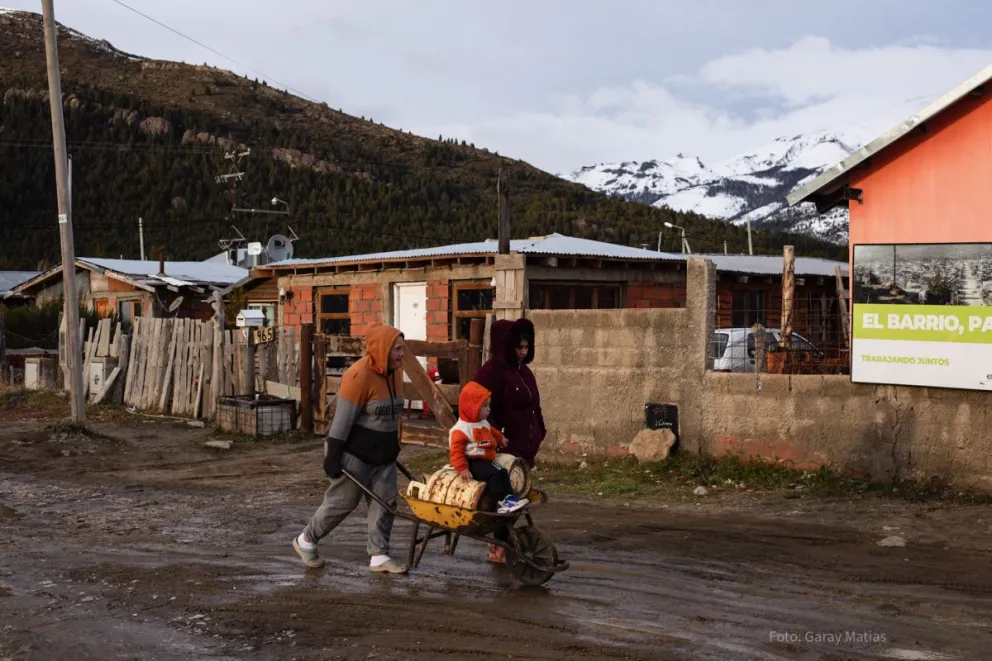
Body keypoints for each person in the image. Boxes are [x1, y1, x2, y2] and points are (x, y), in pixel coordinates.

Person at [292, 323, 409, 574]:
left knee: (386, 504)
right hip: (355, 454)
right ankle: (306, 540)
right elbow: (342, 421)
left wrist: (393, 445)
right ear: (383, 349)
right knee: (342, 503)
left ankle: (379, 556)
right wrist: (333, 457)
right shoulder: (358, 376)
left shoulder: (395, 373)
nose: (402, 354)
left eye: (403, 348)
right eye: (397, 349)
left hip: (384, 455)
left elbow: (392, 415)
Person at [472, 317, 546, 563]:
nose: (523, 352)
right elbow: (477, 406)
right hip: (505, 448)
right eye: (519, 347)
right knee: (504, 498)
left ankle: (502, 545)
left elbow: (534, 405)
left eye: (527, 347)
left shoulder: (524, 372)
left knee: (519, 495)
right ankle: (498, 547)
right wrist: (495, 435)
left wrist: (539, 430)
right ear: (506, 345)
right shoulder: (491, 372)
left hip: (524, 446)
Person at [449, 381, 529, 515]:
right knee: (495, 473)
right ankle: (502, 502)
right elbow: (456, 451)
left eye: (488, 405)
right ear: (472, 407)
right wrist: (462, 468)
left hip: (485, 459)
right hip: (472, 462)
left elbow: (493, 431)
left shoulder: (482, 422)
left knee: (502, 471)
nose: (489, 409)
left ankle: (510, 498)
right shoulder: (461, 429)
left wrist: (501, 438)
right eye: (484, 406)